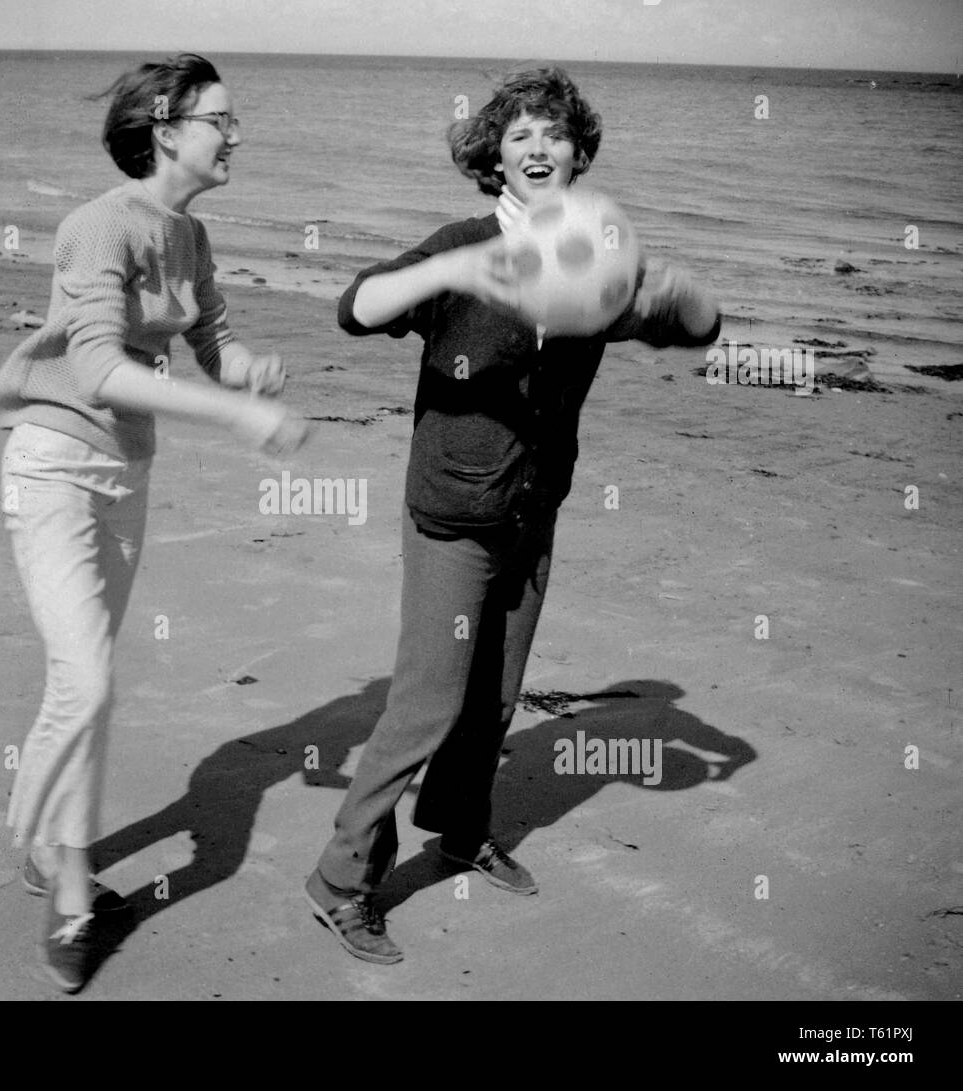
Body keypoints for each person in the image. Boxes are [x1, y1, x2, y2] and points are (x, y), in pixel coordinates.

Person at [304, 65, 721, 964]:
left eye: (553, 133)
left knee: (494, 695)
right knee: (427, 702)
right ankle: (341, 878)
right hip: (452, 510)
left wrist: (682, 297)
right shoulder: (461, 247)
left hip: (535, 509)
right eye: (519, 134)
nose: (537, 147)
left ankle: (460, 830)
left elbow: (696, 327)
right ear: (495, 156)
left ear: (578, 154)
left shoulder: (595, 258)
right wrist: (460, 268)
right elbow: (354, 308)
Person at [0, 53, 308, 992]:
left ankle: (38, 838)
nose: (235, 134)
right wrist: (238, 417)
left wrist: (248, 372)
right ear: (166, 129)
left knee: (77, 680)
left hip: (127, 475)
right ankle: (72, 892)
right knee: (85, 682)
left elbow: (210, 341)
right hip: (52, 467)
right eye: (222, 119)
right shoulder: (98, 226)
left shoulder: (190, 236)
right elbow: (96, 371)